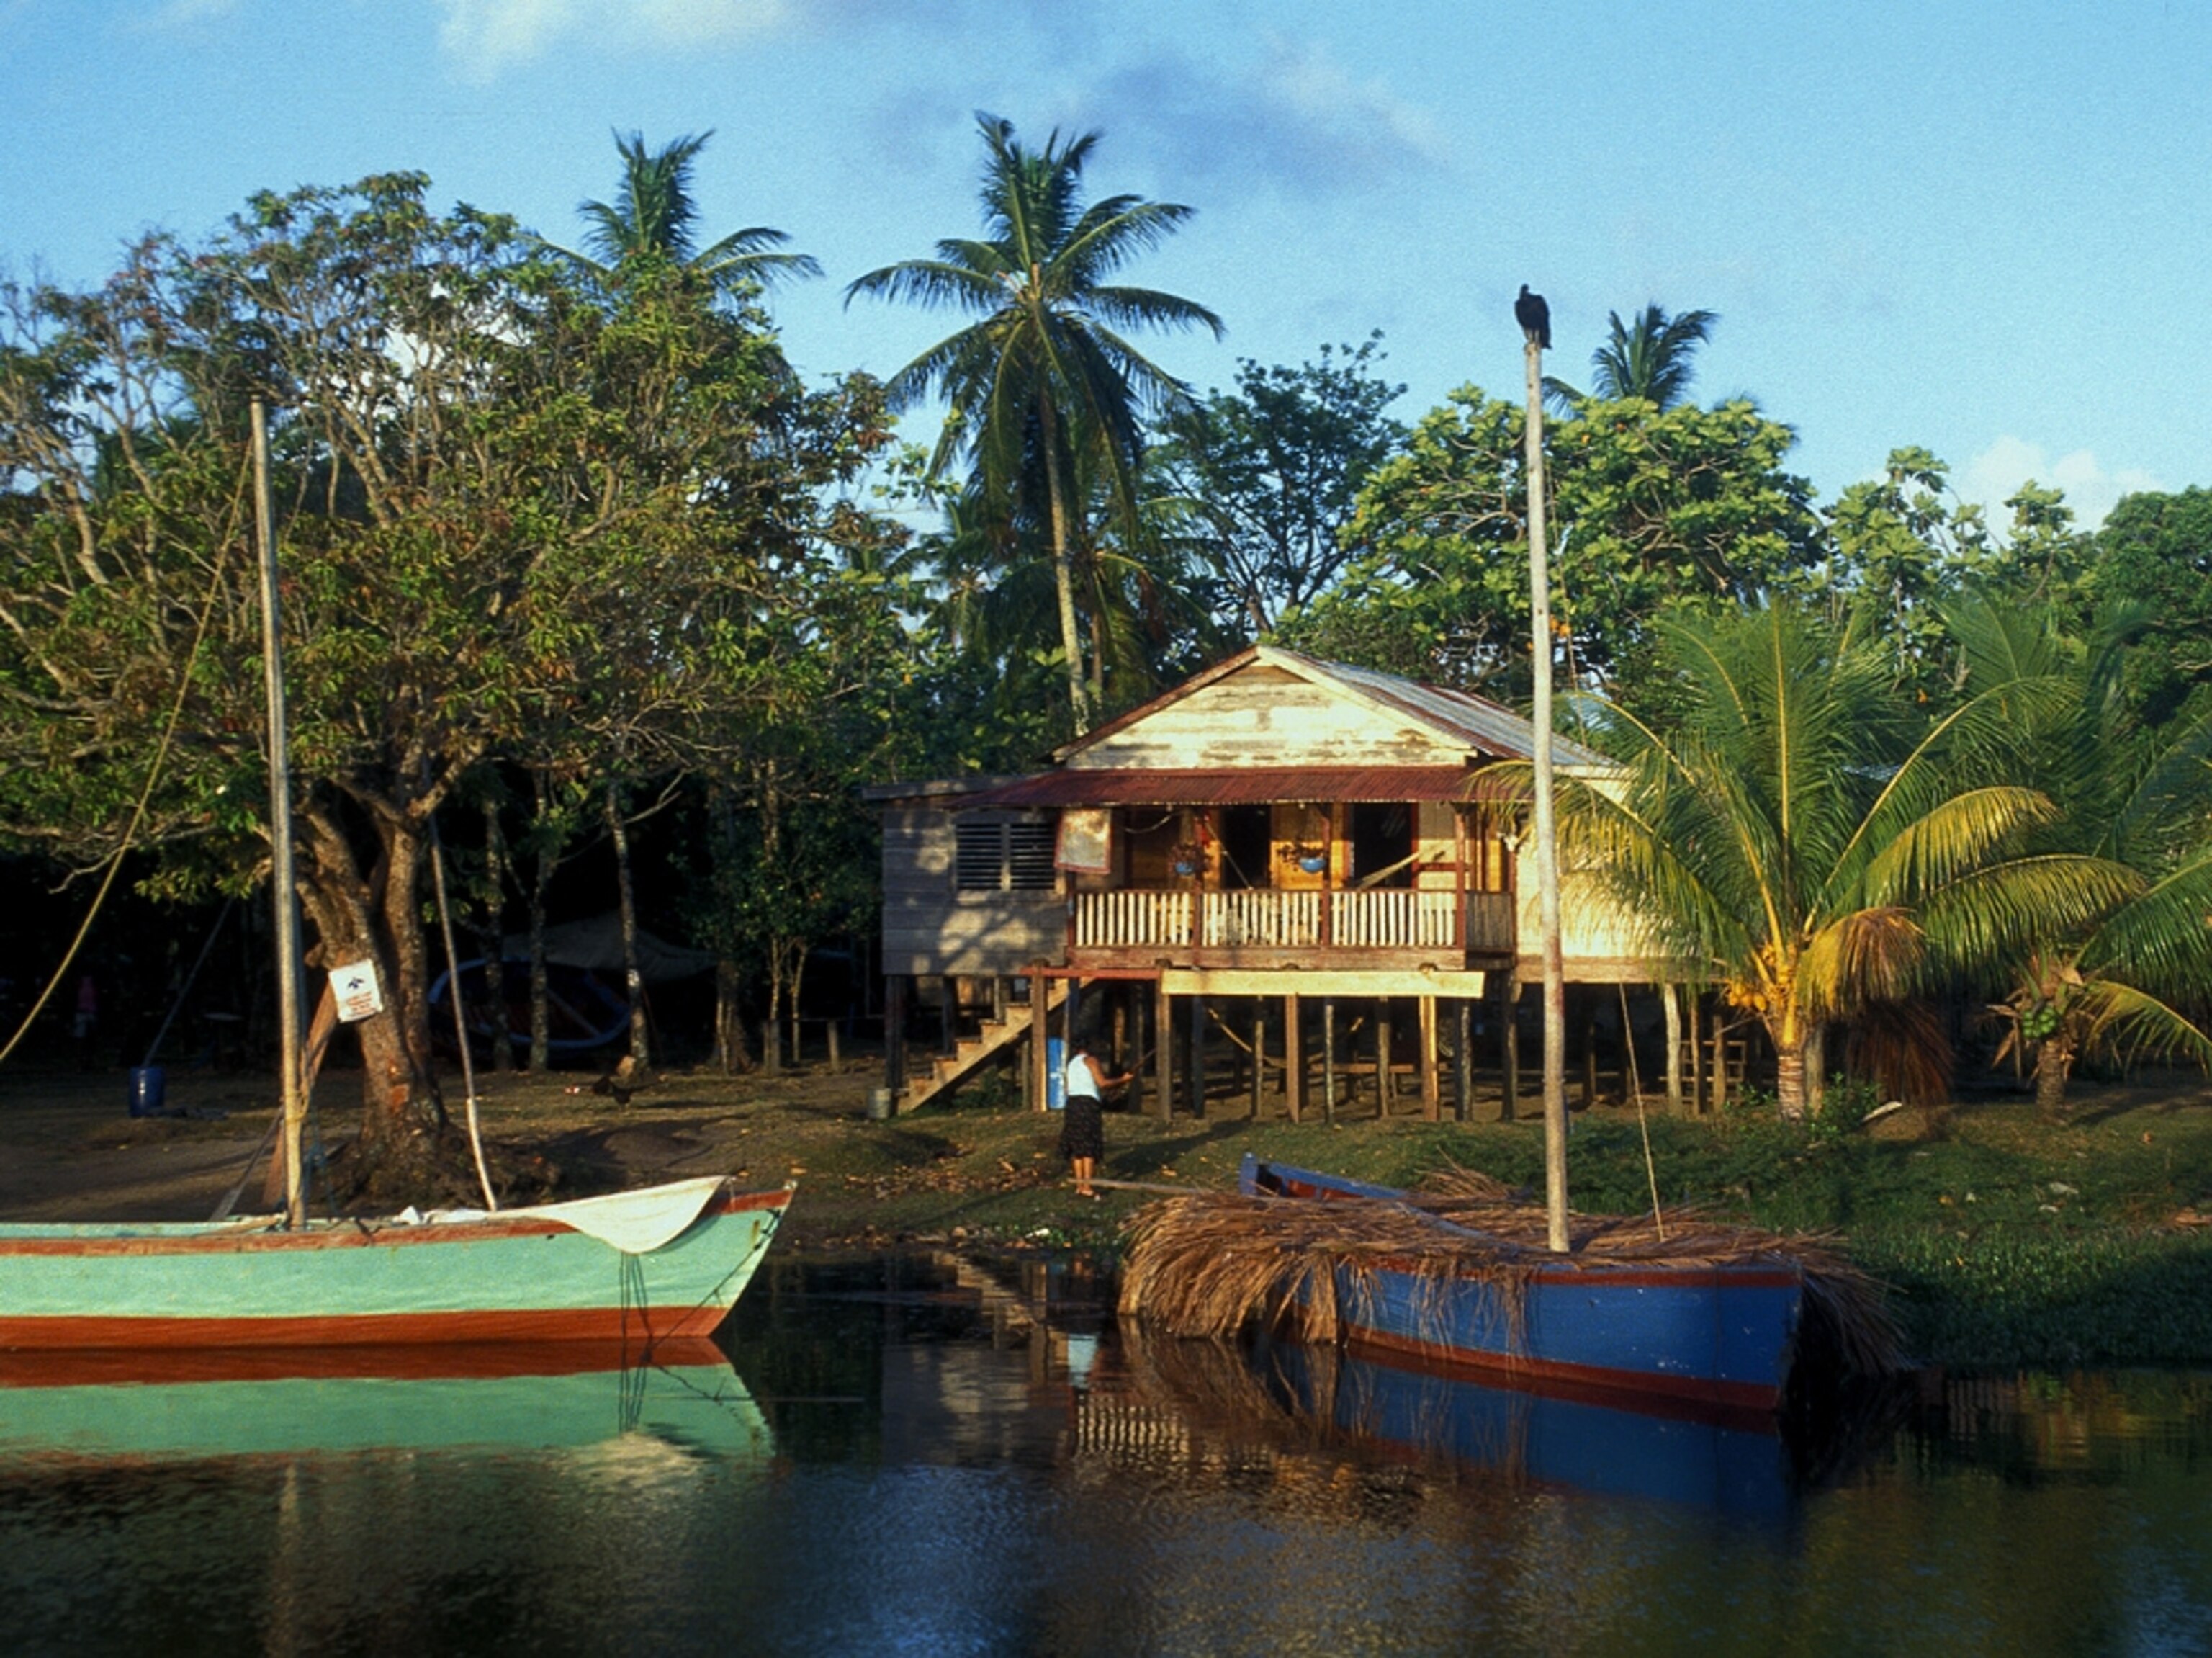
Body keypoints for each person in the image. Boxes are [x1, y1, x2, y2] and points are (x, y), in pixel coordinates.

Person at [1060, 1039, 1130, 1199]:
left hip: (1072, 1104)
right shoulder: (1090, 1060)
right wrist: (1123, 1080)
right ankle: (1088, 1186)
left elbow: (1067, 1087)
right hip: (1087, 1105)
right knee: (1089, 1146)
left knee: (1077, 1147)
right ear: (1089, 1047)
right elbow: (1103, 1083)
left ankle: (1079, 1185)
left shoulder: (1072, 1064)